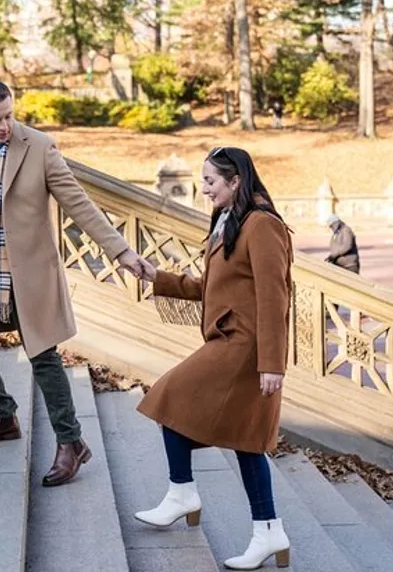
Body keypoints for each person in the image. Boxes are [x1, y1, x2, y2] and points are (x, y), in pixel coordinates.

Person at [0, 78, 148, 487]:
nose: (4, 126)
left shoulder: (39, 147)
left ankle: (71, 443)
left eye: (10, 116)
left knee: (43, 357)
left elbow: (79, 204)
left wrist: (121, 252)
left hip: (29, 275)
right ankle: (2, 414)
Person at [132, 146, 293, 570]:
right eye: (203, 181)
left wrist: (272, 363)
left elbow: (275, 297)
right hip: (229, 340)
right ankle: (268, 530)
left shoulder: (262, 226)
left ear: (235, 180)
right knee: (245, 440)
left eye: (210, 181)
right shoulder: (232, 221)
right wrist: (160, 278)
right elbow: (217, 286)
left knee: (170, 396)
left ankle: (182, 492)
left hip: (245, 347)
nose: (204, 189)